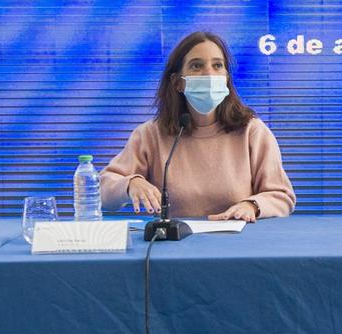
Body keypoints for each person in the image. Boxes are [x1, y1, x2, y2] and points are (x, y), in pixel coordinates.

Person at [102, 30, 295, 221]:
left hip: (238, 244)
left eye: (217, 65)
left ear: (227, 78)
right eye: (196, 66)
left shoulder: (251, 131)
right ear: (178, 82)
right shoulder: (150, 135)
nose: (209, 74)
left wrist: (251, 205)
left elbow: (281, 196)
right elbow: (101, 192)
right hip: (173, 247)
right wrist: (130, 184)